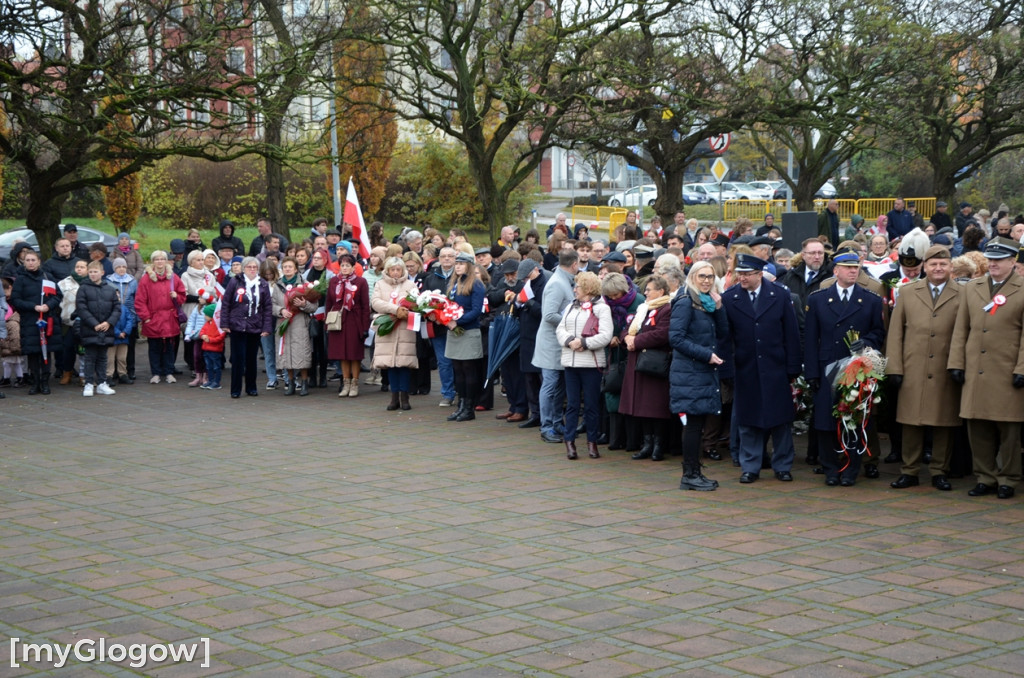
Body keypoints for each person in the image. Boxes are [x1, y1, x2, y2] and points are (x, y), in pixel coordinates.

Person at [948, 237, 1024, 499]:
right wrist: (956, 362)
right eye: (990, 259)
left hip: (1007, 370)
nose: (993, 264)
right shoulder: (973, 287)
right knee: (977, 427)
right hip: (976, 370)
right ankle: (985, 476)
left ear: (1013, 262)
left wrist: (1022, 368)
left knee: (1009, 430)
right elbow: (961, 328)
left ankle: (1009, 478)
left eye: (999, 260)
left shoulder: (1022, 288)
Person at [804, 251, 885, 486]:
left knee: (854, 420)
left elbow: (879, 332)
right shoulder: (818, 299)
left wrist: (867, 341)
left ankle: (851, 469)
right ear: (835, 271)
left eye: (856, 267)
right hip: (826, 367)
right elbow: (810, 340)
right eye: (847, 267)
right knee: (825, 423)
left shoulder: (869, 299)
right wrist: (811, 373)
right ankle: (830, 468)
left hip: (856, 369)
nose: (853, 271)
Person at [886, 245, 962, 491]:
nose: (938, 268)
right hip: (913, 366)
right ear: (924, 267)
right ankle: (910, 471)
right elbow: (895, 333)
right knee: (910, 421)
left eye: (943, 264)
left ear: (951, 266)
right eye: (933, 264)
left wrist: (959, 365)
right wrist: (894, 368)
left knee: (944, 422)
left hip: (945, 367)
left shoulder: (963, 293)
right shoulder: (907, 292)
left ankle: (940, 471)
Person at [722, 254, 802, 483]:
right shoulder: (731, 298)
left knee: (781, 420)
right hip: (745, 368)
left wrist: (793, 367)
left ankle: (783, 465)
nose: (742, 277)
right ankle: (750, 466)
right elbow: (725, 338)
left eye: (747, 274)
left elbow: (791, 334)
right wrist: (727, 369)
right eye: (740, 273)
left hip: (776, 367)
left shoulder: (780, 294)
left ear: (759, 274)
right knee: (748, 420)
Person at [670, 261, 727, 491]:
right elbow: (676, 338)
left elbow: (723, 334)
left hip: (702, 371)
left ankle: (694, 471)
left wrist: (720, 307)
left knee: (698, 423)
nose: (706, 281)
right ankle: (689, 475)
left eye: (710, 277)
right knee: (693, 424)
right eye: (702, 276)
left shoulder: (707, 303)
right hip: (690, 373)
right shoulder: (685, 302)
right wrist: (707, 355)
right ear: (692, 277)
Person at [555, 271, 612, 459]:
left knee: (591, 405)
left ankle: (592, 442)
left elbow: (605, 335)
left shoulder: (602, 308)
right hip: (571, 361)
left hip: (591, 363)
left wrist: (584, 343)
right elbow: (560, 329)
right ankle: (569, 441)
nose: (574, 289)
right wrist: (570, 340)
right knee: (571, 404)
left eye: (577, 286)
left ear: (587, 288)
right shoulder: (572, 306)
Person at [619, 275, 673, 461]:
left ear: (661, 291)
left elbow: (662, 334)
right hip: (637, 363)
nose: (646, 293)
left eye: (649, 289)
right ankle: (647, 443)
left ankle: (658, 445)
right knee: (641, 407)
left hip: (654, 365)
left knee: (655, 407)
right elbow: (628, 327)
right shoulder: (643, 308)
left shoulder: (667, 308)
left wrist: (636, 340)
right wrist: (627, 338)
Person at [533, 249, 578, 444]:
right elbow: (549, 315)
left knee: (559, 387)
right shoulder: (557, 283)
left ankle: (557, 422)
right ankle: (547, 426)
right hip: (552, 344)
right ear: (574, 264)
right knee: (550, 386)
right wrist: (574, 323)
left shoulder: (562, 280)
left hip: (560, 343)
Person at [10, 249, 63, 395]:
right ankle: (35, 382)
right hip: (30, 320)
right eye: (28, 260)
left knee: (46, 352)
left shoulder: (48, 277)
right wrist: (33, 307)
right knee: (33, 353)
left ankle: (45, 382)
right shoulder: (20, 279)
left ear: (39, 262)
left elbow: (58, 295)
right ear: (23, 262)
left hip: (47, 319)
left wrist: (48, 306)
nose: (31, 263)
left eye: (33, 260)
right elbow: (15, 300)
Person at [370, 256, 419, 411]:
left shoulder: (411, 284)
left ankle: (404, 396)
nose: (396, 272)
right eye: (393, 269)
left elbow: (417, 302)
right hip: (387, 327)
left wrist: (405, 310)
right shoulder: (380, 284)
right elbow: (375, 302)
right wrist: (394, 309)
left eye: (399, 269)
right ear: (388, 270)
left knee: (403, 363)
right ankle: (394, 396)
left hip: (405, 329)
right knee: (390, 364)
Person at [222, 257, 273, 398]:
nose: (252, 269)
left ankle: (251, 387)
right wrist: (225, 324)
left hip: (254, 326)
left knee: (251, 359)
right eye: (249, 267)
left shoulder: (262, 284)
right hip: (237, 326)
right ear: (243, 268)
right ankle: (235, 389)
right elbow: (226, 303)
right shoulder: (235, 282)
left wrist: (266, 327)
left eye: (254, 267)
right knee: (238, 359)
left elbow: (267, 308)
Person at [444, 252, 486, 422]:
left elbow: (476, 311)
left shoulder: (476, 284)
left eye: (462, 263)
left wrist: (458, 321)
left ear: (469, 265)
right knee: (457, 369)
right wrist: (444, 317)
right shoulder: (454, 282)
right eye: (457, 263)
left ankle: (469, 407)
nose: (458, 266)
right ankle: (461, 405)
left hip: (468, 331)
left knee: (468, 369)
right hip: (454, 331)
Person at [135, 251, 186, 384]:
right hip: (154, 318)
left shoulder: (173, 277)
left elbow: (182, 295)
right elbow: (140, 300)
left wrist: (177, 296)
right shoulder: (146, 279)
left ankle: (169, 372)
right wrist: (146, 318)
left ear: (166, 261)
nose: (159, 261)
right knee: (154, 347)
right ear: (153, 261)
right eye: (156, 259)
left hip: (170, 318)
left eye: (162, 259)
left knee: (170, 346)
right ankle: (156, 373)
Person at [326, 253, 370, 397]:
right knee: (342, 354)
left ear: (353, 267)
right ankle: (345, 383)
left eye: (348, 265)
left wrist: (365, 327)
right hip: (338, 320)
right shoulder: (334, 281)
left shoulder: (360, 282)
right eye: (342, 265)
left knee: (354, 354)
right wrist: (328, 322)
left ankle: (355, 383)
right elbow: (329, 303)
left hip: (354, 320)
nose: (344, 268)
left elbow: (365, 306)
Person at [272, 257, 317, 397]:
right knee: (286, 355)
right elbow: (272, 304)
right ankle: (290, 383)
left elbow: (314, 306)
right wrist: (281, 311)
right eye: (285, 266)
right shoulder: (277, 285)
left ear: (296, 269)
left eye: (290, 266)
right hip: (283, 324)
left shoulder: (305, 285)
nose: (287, 269)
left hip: (299, 323)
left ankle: (304, 383)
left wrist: (303, 305)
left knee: (301, 354)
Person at [75, 260, 120, 397]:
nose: (93, 274)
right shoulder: (83, 288)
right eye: (91, 272)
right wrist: (94, 324)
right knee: (90, 357)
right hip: (90, 329)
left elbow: (117, 308)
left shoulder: (110, 289)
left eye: (95, 272)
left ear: (102, 273)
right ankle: (88, 384)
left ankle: (102, 383)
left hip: (106, 329)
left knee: (102, 357)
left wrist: (109, 322)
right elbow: (81, 308)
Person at [422, 247, 459, 405]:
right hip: (438, 326)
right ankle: (448, 393)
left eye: (450, 256)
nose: (447, 259)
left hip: (456, 326)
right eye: (443, 256)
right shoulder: (431, 278)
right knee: (443, 361)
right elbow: (423, 300)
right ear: (438, 259)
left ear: (455, 259)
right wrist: (430, 314)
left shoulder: (460, 278)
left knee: (458, 360)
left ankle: (461, 390)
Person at [181, 250, 217, 383]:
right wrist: (199, 298)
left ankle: (207, 369)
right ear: (191, 262)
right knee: (191, 340)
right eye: (198, 260)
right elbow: (184, 294)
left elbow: (214, 292)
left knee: (206, 340)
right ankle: (193, 367)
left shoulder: (209, 275)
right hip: (192, 310)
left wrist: (208, 299)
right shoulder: (185, 276)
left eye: (202, 259)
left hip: (207, 311)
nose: (201, 262)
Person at [105, 258, 137, 386]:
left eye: (124, 266)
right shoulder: (108, 281)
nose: (121, 269)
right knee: (110, 355)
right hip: (113, 325)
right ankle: (110, 375)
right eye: (118, 267)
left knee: (124, 354)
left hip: (127, 321)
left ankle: (124, 373)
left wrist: (127, 329)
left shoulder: (132, 281)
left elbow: (136, 298)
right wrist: (117, 331)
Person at [57, 258, 88, 386]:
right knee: (68, 349)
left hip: (86, 323)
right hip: (68, 321)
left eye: (82, 267)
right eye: (77, 267)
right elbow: (58, 301)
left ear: (87, 269)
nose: (79, 269)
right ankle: (67, 372)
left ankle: (84, 375)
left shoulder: (91, 282)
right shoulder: (63, 283)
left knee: (83, 350)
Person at [197, 304, 225, 390]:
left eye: (206, 315)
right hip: (206, 348)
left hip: (215, 349)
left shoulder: (219, 325)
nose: (205, 316)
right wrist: (202, 336)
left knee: (216, 366)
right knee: (209, 366)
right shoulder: (208, 323)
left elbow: (221, 337)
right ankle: (210, 380)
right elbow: (202, 331)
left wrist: (210, 339)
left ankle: (216, 382)